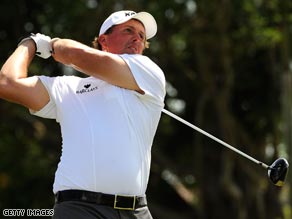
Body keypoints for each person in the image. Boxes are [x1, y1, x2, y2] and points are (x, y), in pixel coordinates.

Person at [0, 10, 166, 219]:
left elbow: (74, 55)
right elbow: (7, 84)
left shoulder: (148, 72)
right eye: (128, 30)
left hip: (136, 211)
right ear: (104, 40)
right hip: (78, 209)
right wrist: (29, 44)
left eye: (142, 36)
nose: (137, 38)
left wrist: (52, 44)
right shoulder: (67, 87)